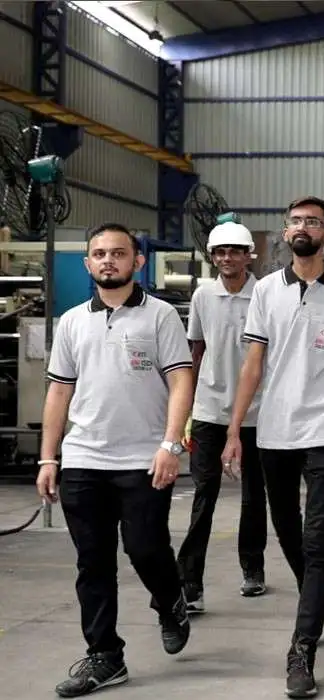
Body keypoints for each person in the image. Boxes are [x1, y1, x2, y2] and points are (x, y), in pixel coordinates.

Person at [222, 196, 324, 698]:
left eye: (313, 221)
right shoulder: (266, 290)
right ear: (286, 233)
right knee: (285, 529)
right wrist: (233, 429)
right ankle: (318, 597)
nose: (302, 227)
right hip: (274, 431)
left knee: (316, 538)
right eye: (295, 221)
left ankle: (302, 647)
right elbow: (253, 365)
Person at [37, 223, 193, 698]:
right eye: (99, 254)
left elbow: (182, 380)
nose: (109, 261)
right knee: (94, 561)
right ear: (88, 264)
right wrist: (49, 458)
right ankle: (105, 655)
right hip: (85, 458)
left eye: (118, 253)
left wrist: (171, 445)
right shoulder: (71, 322)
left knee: (146, 549)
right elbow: (59, 391)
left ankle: (170, 601)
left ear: (137, 262)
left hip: (144, 459)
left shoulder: (161, 316)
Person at [177, 221, 268, 614]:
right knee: (204, 493)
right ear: (212, 257)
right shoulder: (203, 296)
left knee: (254, 496)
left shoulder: (264, 294)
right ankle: (190, 582)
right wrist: (185, 411)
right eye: (220, 252)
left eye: (235, 251)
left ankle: (253, 567)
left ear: (250, 255)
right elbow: (196, 351)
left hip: (259, 414)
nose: (227, 258)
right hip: (209, 411)